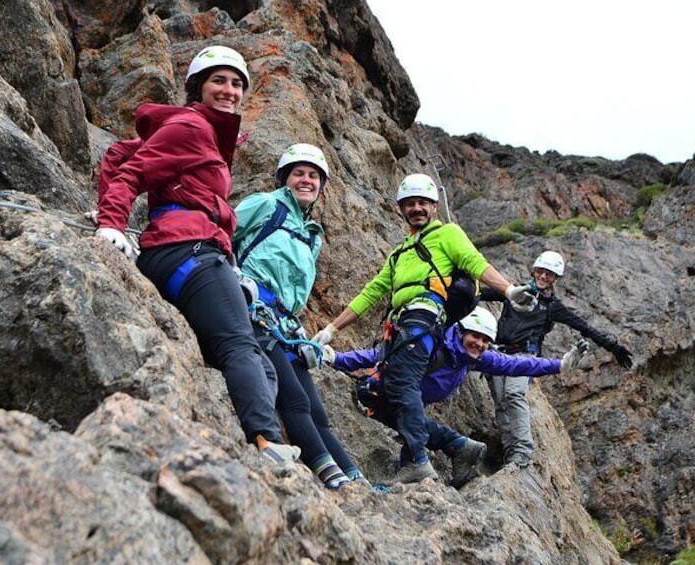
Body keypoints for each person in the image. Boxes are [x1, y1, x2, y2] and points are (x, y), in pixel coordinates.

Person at [94, 45, 300, 463]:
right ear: (198, 88)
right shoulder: (191, 126)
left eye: (237, 83)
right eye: (218, 81)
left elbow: (119, 155)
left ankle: (252, 438)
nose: (229, 90)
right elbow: (132, 173)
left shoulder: (199, 132)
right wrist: (110, 222)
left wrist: (107, 211)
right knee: (241, 347)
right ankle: (266, 442)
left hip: (185, 255)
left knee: (259, 363)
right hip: (190, 252)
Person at [312, 172, 536, 483]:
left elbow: (475, 262)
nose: (416, 208)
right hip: (402, 324)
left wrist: (508, 289)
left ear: (433, 206)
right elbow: (372, 292)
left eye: (423, 203)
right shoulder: (399, 253)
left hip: (424, 317)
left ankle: (417, 460)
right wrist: (332, 329)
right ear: (401, 209)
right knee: (390, 390)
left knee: (403, 385)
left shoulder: (447, 234)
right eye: (410, 203)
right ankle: (456, 447)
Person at [322, 306, 586, 485]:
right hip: (400, 393)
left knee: (405, 415)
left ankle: (450, 449)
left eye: (485, 340)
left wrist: (558, 365)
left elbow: (516, 364)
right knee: (375, 396)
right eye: (475, 336)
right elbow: (378, 355)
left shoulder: (472, 357)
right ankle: (458, 446)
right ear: (460, 331)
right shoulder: (431, 345)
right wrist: (337, 359)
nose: (480, 344)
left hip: (411, 401)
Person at [232, 143, 365, 489]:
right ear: (284, 178)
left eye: (313, 175)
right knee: (292, 396)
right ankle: (329, 473)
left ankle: (354, 475)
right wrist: (232, 276)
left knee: (316, 409)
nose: (306, 180)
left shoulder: (311, 236)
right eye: (298, 173)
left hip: (285, 321)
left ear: (321, 185)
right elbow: (222, 232)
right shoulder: (265, 205)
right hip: (253, 305)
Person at [481, 250, 634, 468]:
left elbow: (583, 327)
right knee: (502, 404)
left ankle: (523, 451)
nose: (544, 277)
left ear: (556, 279)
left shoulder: (553, 306)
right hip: (498, 352)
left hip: (525, 354)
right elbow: (480, 294)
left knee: (514, 395)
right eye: (542, 271)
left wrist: (613, 347)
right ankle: (510, 454)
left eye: (550, 274)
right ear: (534, 271)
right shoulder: (515, 292)